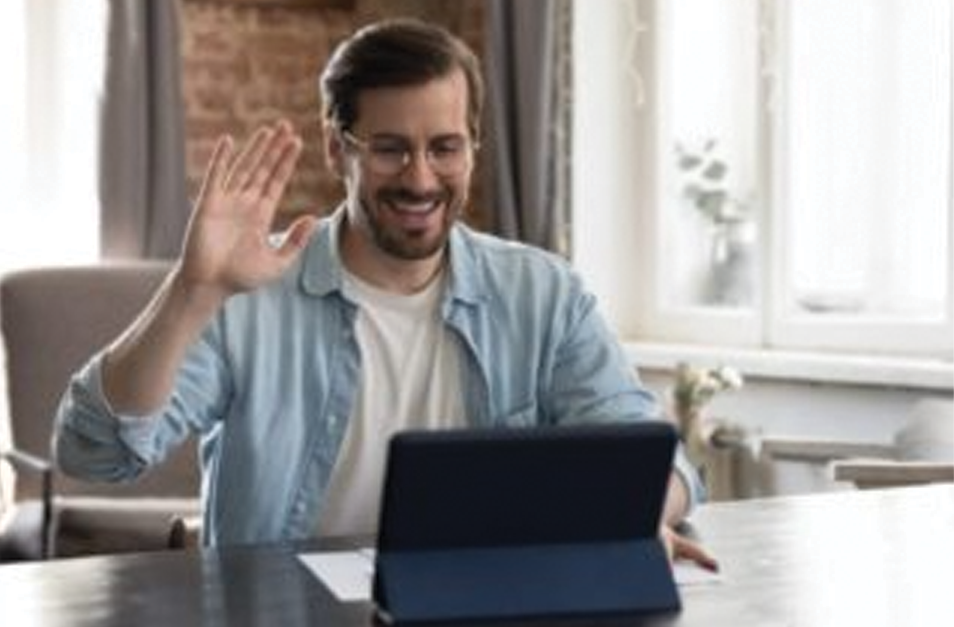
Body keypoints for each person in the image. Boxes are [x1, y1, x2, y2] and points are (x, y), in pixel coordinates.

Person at [54, 18, 716, 569]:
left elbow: (659, 459)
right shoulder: (249, 291)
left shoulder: (542, 292)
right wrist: (189, 292)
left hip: (486, 606)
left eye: (445, 147)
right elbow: (95, 450)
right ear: (334, 146)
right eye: (390, 149)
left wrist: (631, 514)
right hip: (285, 610)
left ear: (474, 148)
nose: (420, 178)